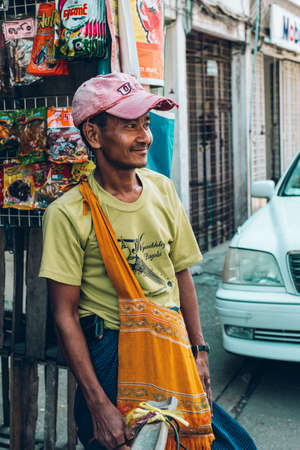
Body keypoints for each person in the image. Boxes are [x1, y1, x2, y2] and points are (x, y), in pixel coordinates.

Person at [39, 72, 213, 449]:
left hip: (172, 342)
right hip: (112, 353)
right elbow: (64, 315)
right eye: (130, 125)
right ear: (94, 135)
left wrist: (199, 350)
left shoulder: (162, 190)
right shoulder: (69, 213)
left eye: (146, 124)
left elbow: (181, 272)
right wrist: (98, 403)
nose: (144, 137)